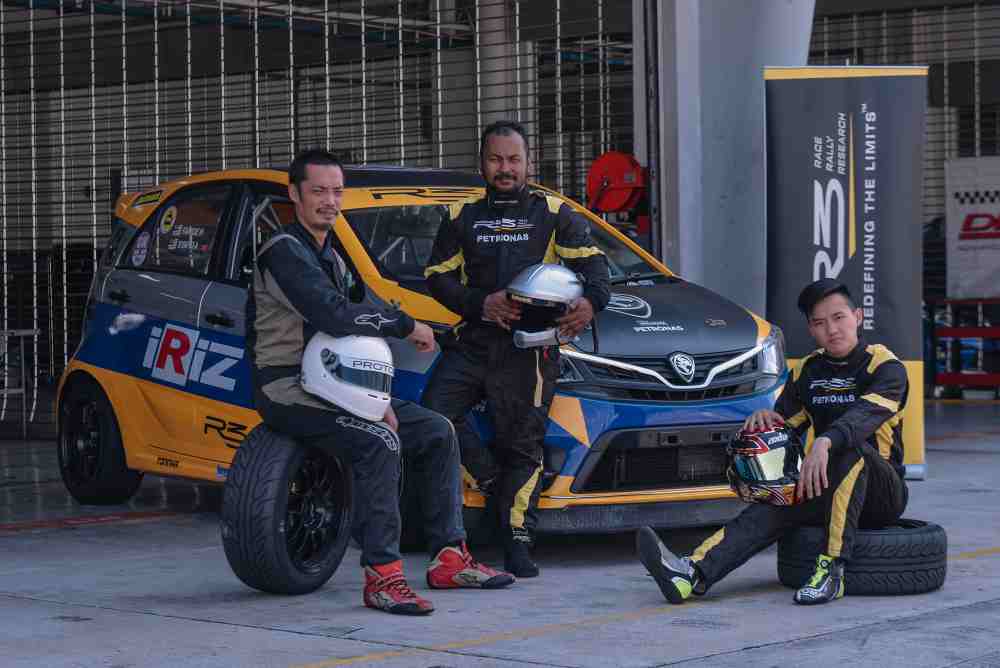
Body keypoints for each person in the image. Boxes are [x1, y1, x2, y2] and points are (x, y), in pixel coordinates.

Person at [248, 148, 514, 616]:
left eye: (336, 191)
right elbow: (335, 315)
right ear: (294, 195)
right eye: (318, 191)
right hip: (289, 388)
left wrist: (378, 395)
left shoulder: (332, 255)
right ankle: (383, 577)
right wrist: (405, 325)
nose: (330, 201)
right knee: (380, 441)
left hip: (338, 384)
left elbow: (364, 316)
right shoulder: (283, 252)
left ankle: (450, 558)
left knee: (437, 431)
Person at [637, 278, 909, 605]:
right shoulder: (808, 371)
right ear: (811, 329)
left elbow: (863, 417)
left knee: (848, 449)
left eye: (839, 318)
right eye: (820, 323)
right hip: (830, 486)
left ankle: (832, 571)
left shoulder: (886, 367)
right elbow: (784, 426)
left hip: (882, 493)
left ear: (858, 317)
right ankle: (691, 573)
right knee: (778, 500)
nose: (832, 330)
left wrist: (824, 441)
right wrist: (766, 421)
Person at [421, 120, 611, 577]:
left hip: (531, 349)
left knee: (524, 444)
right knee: (432, 417)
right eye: (495, 159)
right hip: (474, 340)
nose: (504, 168)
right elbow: (436, 276)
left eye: (513, 159)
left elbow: (597, 269)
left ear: (529, 162)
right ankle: (492, 481)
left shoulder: (554, 212)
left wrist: (590, 304)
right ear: (482, 163)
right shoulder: (461, 214)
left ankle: (517, 539)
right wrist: (479, 303)